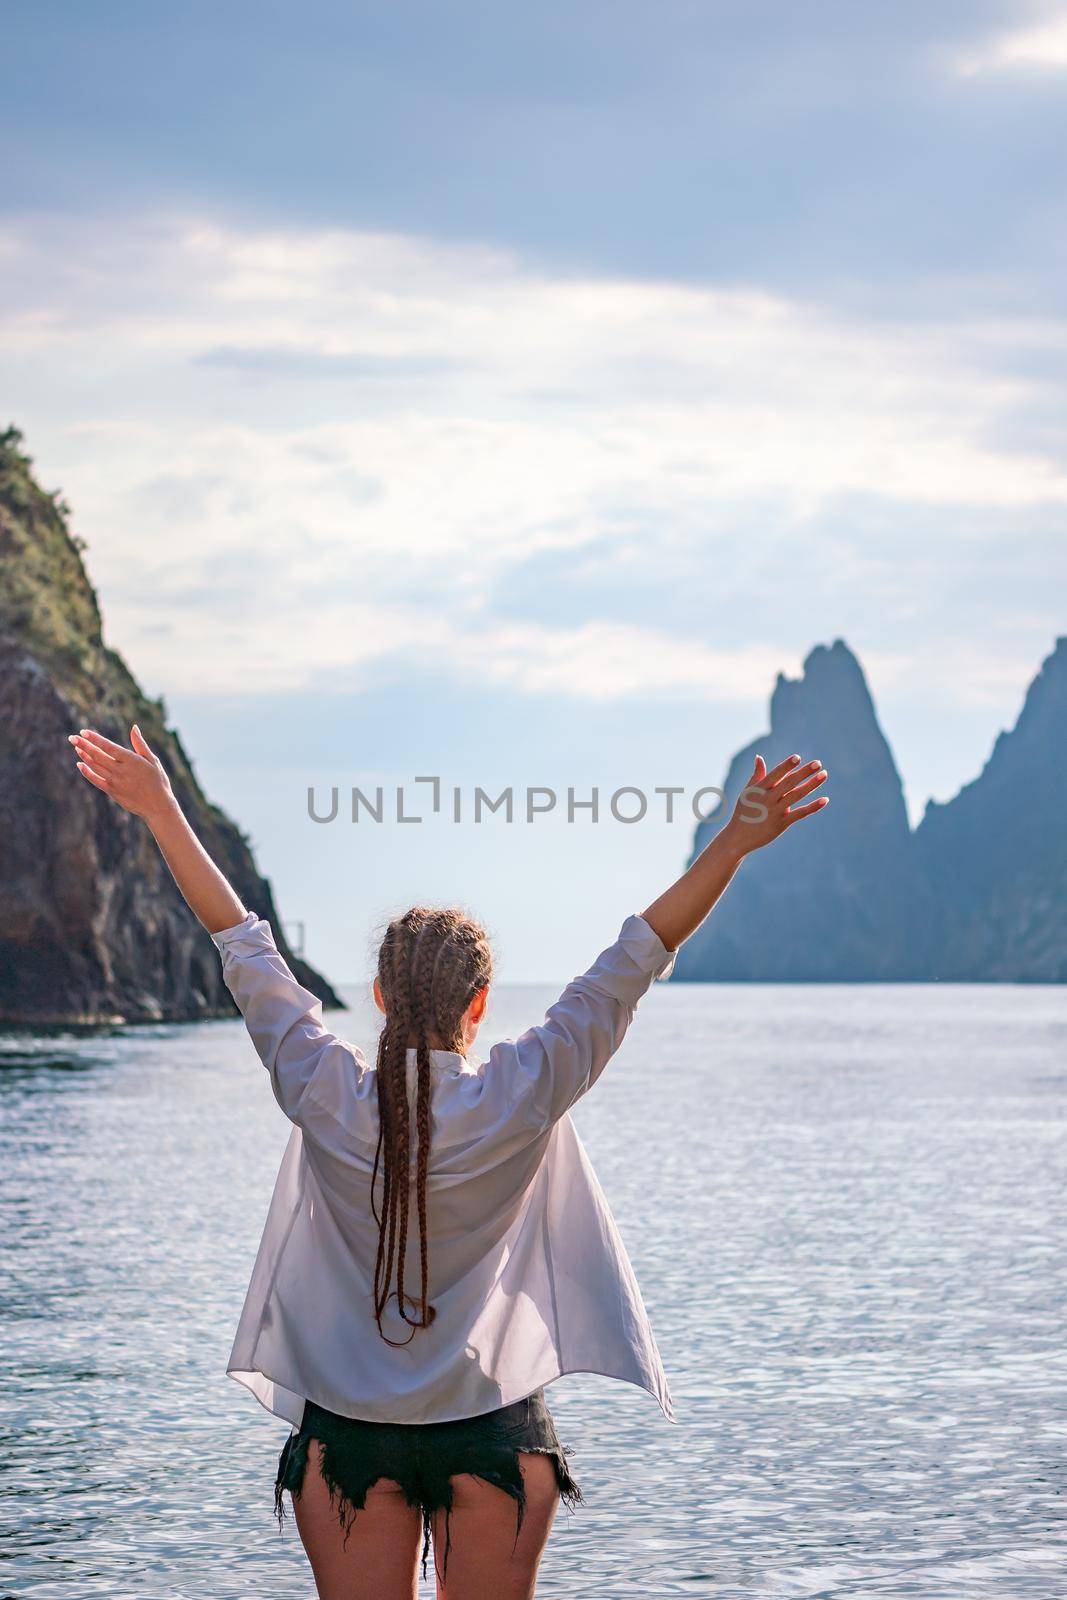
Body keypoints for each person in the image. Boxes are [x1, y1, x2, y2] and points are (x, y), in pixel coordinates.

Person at [69, 724, 828, 1600]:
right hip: (495, 1435)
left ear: (382, 997)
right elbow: (637, 957)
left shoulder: (324, 1088)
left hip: (348, 1442)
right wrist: (734, 841)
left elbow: (238, 940)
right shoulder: (523, 1088)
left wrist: (160, 806)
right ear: (480, 1005)